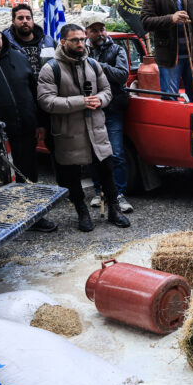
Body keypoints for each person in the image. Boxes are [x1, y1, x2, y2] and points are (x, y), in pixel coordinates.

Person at [37, 24, 130, 231]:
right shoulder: (50, 68)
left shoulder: (93, 64)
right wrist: (82, 101)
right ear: (63, 42)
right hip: (69, 133)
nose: (80, 43)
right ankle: (82, 213)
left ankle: (114, 210)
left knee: (107, 172)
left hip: (96, 130)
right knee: (71, 177)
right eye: (75, 40)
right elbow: (47, 102)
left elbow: (107, 90)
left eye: (82, 39)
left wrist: (100, 99)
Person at [0, 17, 56, 232]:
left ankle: (34, 217)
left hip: (25, 128)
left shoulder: (18, 58)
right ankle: (1, 223)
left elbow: (32, 92)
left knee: (28, 173)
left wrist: (39, 122)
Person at [83, 14, 133, 214]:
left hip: (112, 109)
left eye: (102, 28)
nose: (100, 33)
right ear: (87, 33)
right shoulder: (82, 50)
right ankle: (99, 191)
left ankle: (119, 193)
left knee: (117, 153)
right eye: (94, 30)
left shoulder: (117, 49)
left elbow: (123, 75)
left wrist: (97, 65)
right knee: (95, 153)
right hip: (90, 109)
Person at [2, 5, 55, 80]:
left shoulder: (48, 42)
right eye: (20, 18)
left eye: (28, 18)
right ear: (13, 21)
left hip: (45, 87)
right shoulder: (4, 43)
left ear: (32, 20)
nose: (25, 21)